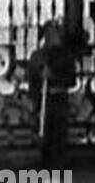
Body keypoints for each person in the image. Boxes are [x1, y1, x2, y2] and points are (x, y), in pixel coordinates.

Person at [25, 20, 78, 168]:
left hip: (59, 101)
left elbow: (71, 80)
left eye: (55, 33)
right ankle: (46, 169)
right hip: (44, 102)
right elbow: (32, 80)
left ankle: (57, 174)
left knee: (59, 140)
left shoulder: (66, 56)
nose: (52, 37)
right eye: (49, 34)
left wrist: (53, 76)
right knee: (45, 141)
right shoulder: (38, 56)